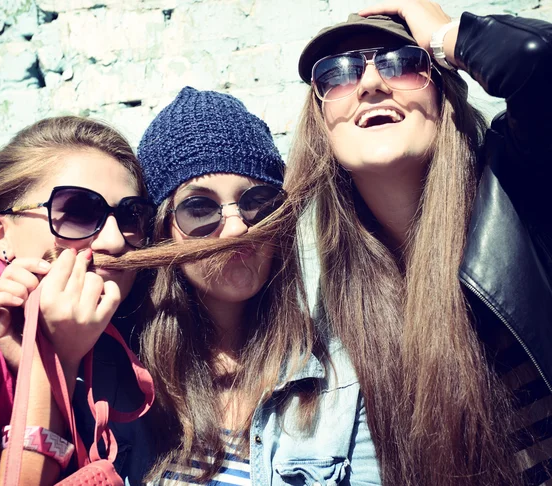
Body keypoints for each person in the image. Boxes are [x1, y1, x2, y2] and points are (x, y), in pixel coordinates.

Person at [284, 0, 552, 484]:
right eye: (337, 74)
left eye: (404, 63)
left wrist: (445, 34)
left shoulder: (523, 189)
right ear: (322, 125)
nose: (369, 84)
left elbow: (538, 63)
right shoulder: (344, 310)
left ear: (442, 94)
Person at [137, 86, 381, 485]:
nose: (237, 227)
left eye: (257, 203)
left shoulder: (342, 378)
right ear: (162, 232)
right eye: (199, 208)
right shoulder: (128, 380)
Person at [0, 116, 157, 485]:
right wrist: (56, 359)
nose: (113, 240)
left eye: (130, 216)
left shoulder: (122, 328)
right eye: (78, 211)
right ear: (1, 235)